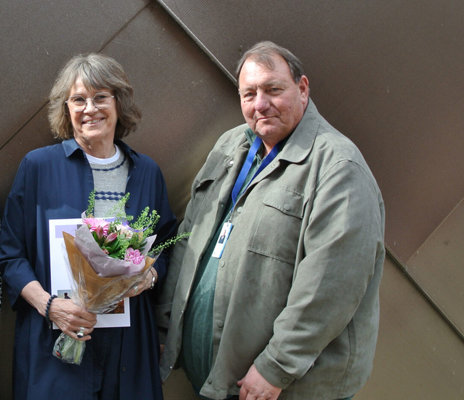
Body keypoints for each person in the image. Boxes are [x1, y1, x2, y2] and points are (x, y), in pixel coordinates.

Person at [157, 41, 385, 400]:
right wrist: (165, 327)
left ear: (303, 88)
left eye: (273, 89)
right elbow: (190, 238)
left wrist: (275, 367)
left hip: (279, 388)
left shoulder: (339, 168)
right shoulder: (231, 146)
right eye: (249, 94)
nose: (260, 104)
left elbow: (331, 285)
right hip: (217, 380)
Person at [0, 53, 177, 400]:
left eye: (100, 97)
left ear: (119, 104)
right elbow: (10, 256)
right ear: (66, 108)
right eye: (78, 99)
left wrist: (149, 276)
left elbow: (165, 246)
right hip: (55, 341)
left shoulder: (148, 173)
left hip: (128, 346)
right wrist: (51, 306)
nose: (89, 108)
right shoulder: (38, 167)